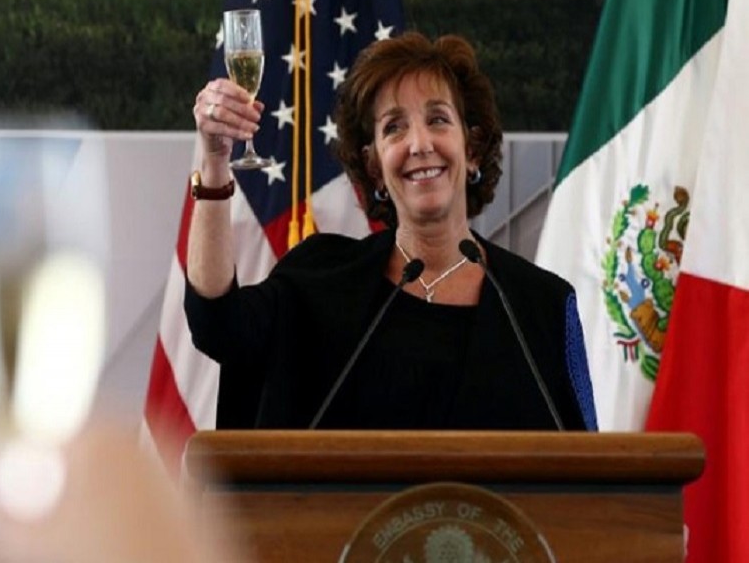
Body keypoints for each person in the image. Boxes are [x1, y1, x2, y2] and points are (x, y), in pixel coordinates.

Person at [186, 31, 596, 431]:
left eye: (437, 119)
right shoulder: (320, 280)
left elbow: (587, 475)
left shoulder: (542, 308)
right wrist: (216, 160)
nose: (419, 143)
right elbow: (218, 326)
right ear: (374, 167)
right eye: (394, 128)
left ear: (471, 151)